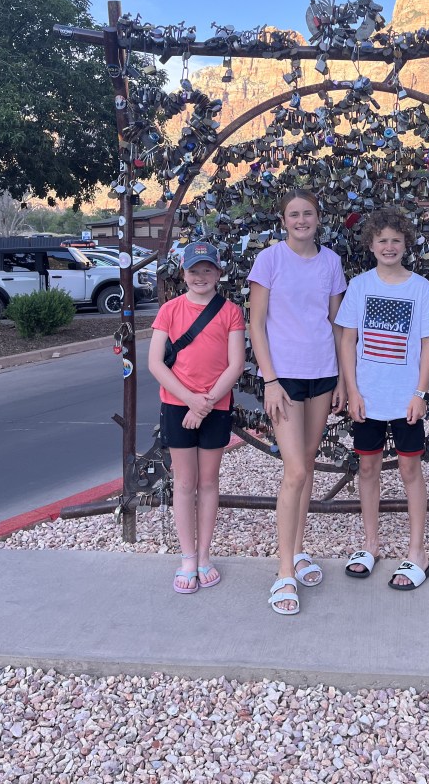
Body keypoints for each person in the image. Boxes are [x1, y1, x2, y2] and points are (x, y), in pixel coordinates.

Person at [247, 189, 347, 615]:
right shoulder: (269, 260)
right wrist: (269, 380)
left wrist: (343, 379)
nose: (302, 220)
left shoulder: (331, 263)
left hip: (322, 374)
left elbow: (337, 324)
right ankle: (284, 570)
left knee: (306, 463)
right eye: (294, 214)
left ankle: (298, 549)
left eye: (308, 213)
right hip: (283, 377)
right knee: (296, 470)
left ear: (318, 218)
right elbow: (255, 323)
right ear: (283, 220)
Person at [335, 207, 429, 590]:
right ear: (371, 244)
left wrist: (420, 392)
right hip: (367, 398)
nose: (389, 246)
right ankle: (371, 545)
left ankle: (418, 552)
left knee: (410, 471)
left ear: (405, 244)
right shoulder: (360, 286)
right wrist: (352, 390)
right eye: (382, 240)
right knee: (367, 470)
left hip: (405, 399)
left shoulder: (419, 287)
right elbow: (347, 340)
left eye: (396, 240)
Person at [149, 241, 246, 594]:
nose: (200, 276)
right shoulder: (169, 310)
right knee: (184, 482)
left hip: (215, 405)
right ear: (183, 273)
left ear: (218, 273)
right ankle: (187, 556)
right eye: (194, 270)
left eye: (207, 269)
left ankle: (204, 555)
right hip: (178, 404)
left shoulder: (231, 312)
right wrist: (190, 400)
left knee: (208, 482)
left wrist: (204, 404)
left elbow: (236, 364)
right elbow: (155, 363)